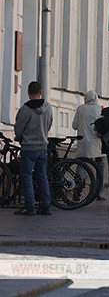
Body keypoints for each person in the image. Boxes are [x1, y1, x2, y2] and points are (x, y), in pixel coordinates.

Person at [13, 81, 53, 216]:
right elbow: (49, 124)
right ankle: (45, 205)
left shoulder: (25, 109)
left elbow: (19, 128)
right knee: (42, 175)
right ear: (40, 92)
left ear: (28, 93)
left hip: (29, 147)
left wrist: (20, 137)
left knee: (26, 175)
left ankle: (29, 206)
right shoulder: (48, 108)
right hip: (43, 146)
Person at [72, 90, 105, 201]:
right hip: (97, 142)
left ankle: (77, 189)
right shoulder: (99, 108)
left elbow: (74, 126)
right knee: (99, 167)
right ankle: (99, 192)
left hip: (83, 142)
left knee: (80, 165)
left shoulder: (81, 109)